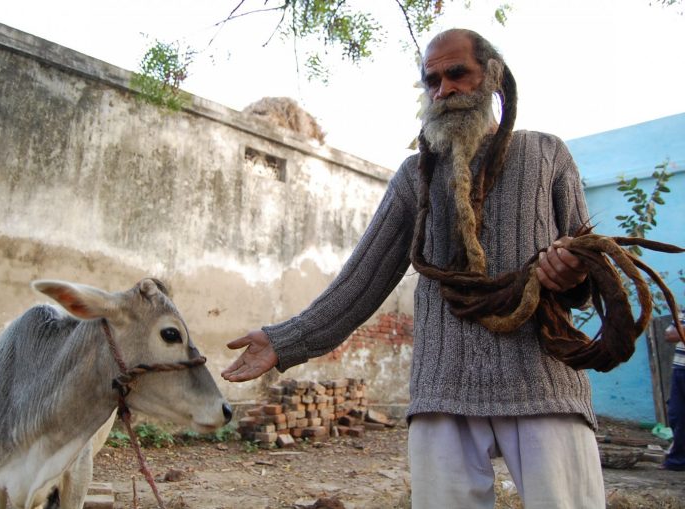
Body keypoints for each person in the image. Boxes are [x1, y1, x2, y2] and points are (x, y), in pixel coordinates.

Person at [222, 28, 605, 508]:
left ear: (492, 76)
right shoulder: (413, 176)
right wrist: (284, 341)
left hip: (543, 382)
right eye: (433, 80)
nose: (444, 90)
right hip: (443, 388)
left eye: (457, 74)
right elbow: (363, 280)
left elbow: (587, 271)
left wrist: (572, 274)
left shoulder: (547, 153)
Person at [663, 318, 685, 471]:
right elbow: (669, 335)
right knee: (677, 415)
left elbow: (676, 334)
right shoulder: (682, 312)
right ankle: (677, 460)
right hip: (679, 369)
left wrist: (680, 332)